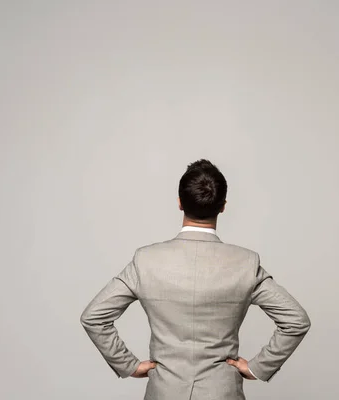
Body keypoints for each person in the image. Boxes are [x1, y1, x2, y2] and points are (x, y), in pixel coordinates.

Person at [80, 158, 311, 400]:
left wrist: (128, 365)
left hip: (164, 391)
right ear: (222, 206)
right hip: (222, 392)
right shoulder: (246, 263)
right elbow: (296, 321)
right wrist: (258, 367)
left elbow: (94, 317)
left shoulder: (145, 260)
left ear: (180, 203)